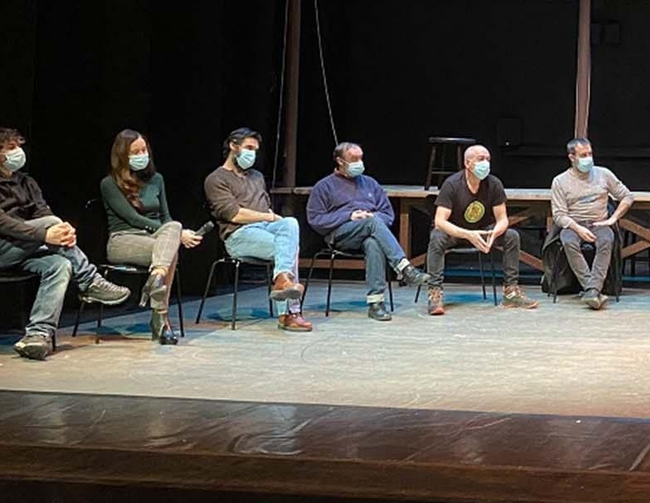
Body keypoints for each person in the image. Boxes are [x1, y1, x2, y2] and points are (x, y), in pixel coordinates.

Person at [0, 127, 130, 360]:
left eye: (18, 146)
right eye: (10, 148)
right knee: (50, 224)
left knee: (59, 264)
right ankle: (89, 280)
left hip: (20, 249)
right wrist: (46, 234)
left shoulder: (26, 182)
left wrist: (62, 232)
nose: (18, 152)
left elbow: (43, 211)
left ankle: (38, 336)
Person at [99, 129, 205, 344]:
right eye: (135, 152)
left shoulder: (157, 179)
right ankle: (161, 319)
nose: (141, 155)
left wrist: (174, 232)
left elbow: (166, 217)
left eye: (144, 150)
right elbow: (132, 218)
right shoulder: (109, 183)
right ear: (122, 156)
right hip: (123, 240)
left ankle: (157, 278)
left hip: (157, 240)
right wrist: (178, 235)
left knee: (172, 230)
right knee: (171, 246)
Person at [305, 141, 431, 321]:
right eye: (354, 159)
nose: (359, 163)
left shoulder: (370, 184)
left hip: (369, 232)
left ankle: (376, 303)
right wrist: (349, 216)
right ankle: (404, 267)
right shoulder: (324, 186)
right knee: (371, 223)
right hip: (340, 235)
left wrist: (370, 217)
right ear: (340, 161)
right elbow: (316, 220)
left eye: (361, 158)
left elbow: (388, 214)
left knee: (373, 242)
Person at [203, 128, 310, 331]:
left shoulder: (257, 176)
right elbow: (234, 215)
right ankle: (290, 313)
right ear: (233, 146)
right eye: (248, 148)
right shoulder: (216, 179)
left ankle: (282, 281)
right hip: (239, 235)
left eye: (255, 149)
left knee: (290, 223)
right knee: (289, 248)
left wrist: (270, 219)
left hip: (266, 230)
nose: (252, 153)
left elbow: (264, 206)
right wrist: (269, 217)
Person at [425, 144, 532, 314]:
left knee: (511, 236)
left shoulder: (494, 183)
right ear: (468, 163)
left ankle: (510, 291)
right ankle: (435, 293)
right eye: (481, 159)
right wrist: (468, 234)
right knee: (437, 237)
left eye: (488, 159)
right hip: (456, 231)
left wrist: (495, 232)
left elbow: (502, 219)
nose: (486, 163)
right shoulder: (452, 184)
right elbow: (440, 221)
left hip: (483, 231)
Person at [547, 138, 633, 309]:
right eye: (583, 155)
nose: (588, 158)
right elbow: (559, 215)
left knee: (606, 241)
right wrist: (577, 228)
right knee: (569, 241)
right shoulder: (560, 181)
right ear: (572, 157)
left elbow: (627, 196)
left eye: (590, 154)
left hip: (599, 222)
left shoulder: (603, 174)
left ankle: (592, 290)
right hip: (573, 223)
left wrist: (612, 219)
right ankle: (592, 289)